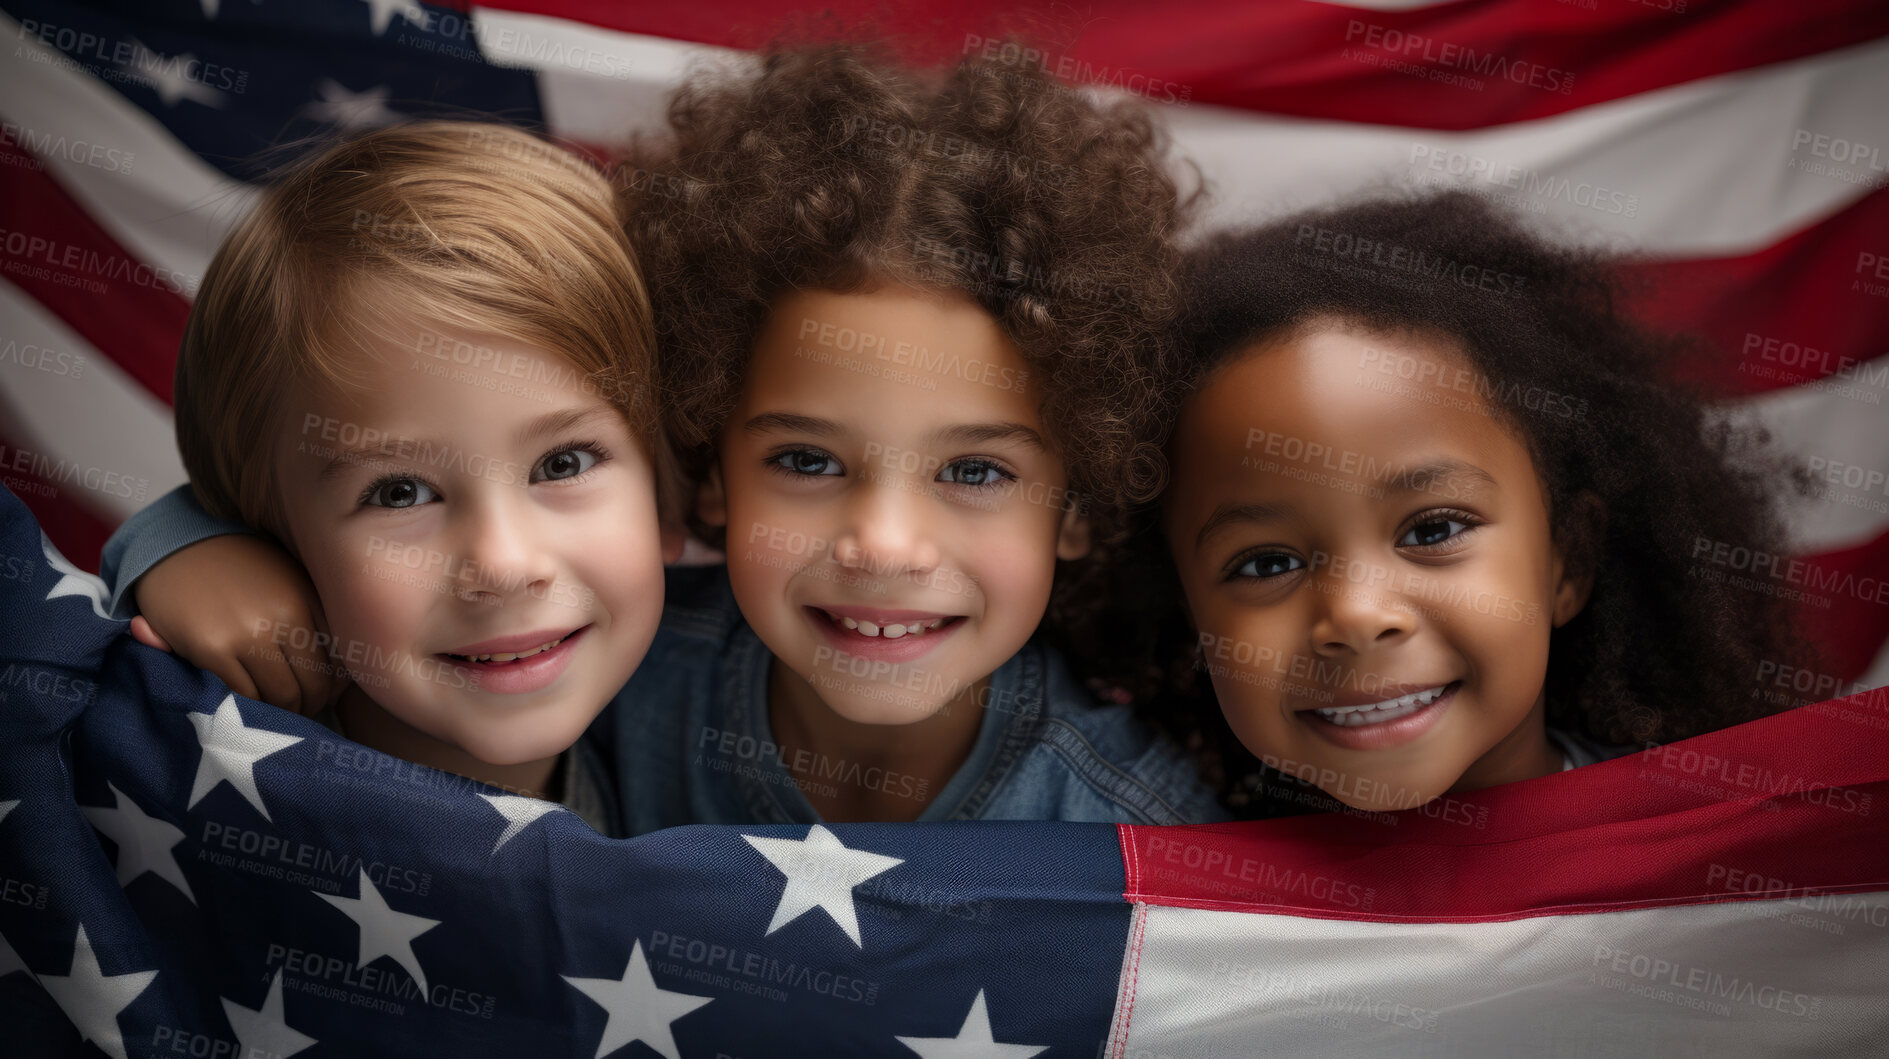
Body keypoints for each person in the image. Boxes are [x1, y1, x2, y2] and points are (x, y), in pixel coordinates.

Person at [101, 44, 1226, 830]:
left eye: (974, 470)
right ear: (704, 461)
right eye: (806, 461)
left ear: (1078, 502)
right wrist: (179, 541)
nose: (884, 543)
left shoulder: (1134, 824)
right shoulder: (606, 669)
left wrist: (173, 542)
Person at [1117, 191, 1812, 817]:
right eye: (1266, 564)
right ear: (1191, 619)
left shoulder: (1724, 855)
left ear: (1565, 562)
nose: (1356, 616)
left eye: (1433, 529)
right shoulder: (1173, 912)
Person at [104, 121, 683, 835]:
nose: (502, 565)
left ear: (669, 498)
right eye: (399, 491)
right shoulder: (214, 751)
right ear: (273, 542)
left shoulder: (696, 727)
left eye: (561, 464)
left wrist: (167, 541)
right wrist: (173, 546)